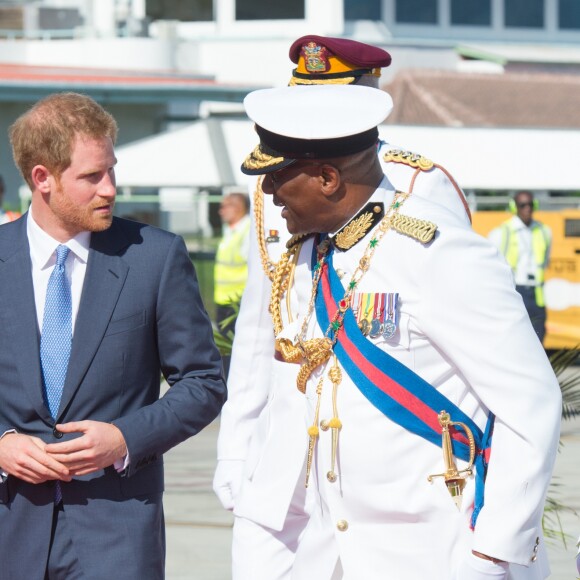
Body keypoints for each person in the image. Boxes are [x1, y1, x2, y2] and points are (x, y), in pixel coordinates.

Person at [232, 83, 561, 580]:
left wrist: (493, 553)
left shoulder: (439, 251)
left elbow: (531, 405)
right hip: (343, 551)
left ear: (327, 177)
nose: (269, 191)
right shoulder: (316, 252)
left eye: (278, 175)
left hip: (442, 551)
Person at [213, 35, 473, 578]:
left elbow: (452, 334)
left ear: (368, 102)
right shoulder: (279, 187)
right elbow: (264, 333)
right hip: (284, 461)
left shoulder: (420, 183)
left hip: (387, 460)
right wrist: (236, 449)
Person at [0, 92, 226, 579]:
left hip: (118, 536)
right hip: (10, 528)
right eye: (91, 176)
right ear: (42, 178)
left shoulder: (154, 258)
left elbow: (204, 381)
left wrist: (126, 438)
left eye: (111, 170)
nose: (110, 189)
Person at [488, 191, 552, 344]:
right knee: (513, 340)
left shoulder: (544, 232)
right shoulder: (501, 232)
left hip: (537, 294)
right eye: (522, 205)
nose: (527, 208)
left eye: (530, 204)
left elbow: (545, 262)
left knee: (538, 340)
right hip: (515, 291)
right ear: (514, 207)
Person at [214, 191, 251, 337]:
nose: (220, 211)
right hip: (226, 300)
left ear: (237, 208)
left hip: (238, 302)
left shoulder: (247, 231)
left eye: (224, 207)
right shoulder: (232, 231)